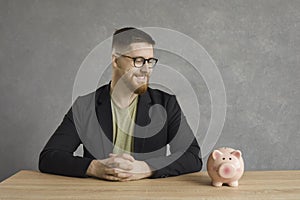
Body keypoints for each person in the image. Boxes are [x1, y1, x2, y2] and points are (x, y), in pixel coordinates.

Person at [39, 27, 202, 181]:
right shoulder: (85, 106)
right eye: (138, 60)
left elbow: (193, 156)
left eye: (150, 61)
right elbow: (49, 157)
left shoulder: (167, 104)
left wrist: (146, 168)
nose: (146, 70)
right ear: (116, 61)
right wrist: (94, 168)